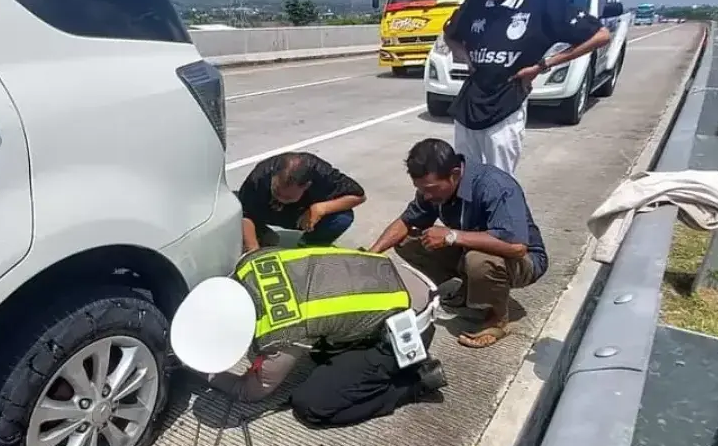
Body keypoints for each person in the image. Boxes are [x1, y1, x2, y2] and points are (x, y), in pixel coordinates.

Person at [169, 246, 446, 428]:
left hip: (406, 324)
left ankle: (414, 384)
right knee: (317, 345)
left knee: (312, 405)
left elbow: (249, 392)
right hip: (388, 272)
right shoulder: (250, 262)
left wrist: (199, 371)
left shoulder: (280, 337)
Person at [443, 0, 611, 173]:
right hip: (469, 106)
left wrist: (544, 65)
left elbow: (600, 35)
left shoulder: (546, 0)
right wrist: (466, 58)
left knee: (499, 183)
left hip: (506, 108)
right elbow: (451, 36)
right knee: (465, 182)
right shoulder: (476, 2)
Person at [368, 138, 547, 349]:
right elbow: (406, 221)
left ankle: (497, 319)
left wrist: (452, 236)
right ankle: (467, 288)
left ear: (454, 174)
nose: (426, 195)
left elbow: (517, 247)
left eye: (431, 189)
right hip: (470, 249)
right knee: (407, 240)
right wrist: (370, 255)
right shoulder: (434, 191)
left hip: (524, 261)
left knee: (478, 260)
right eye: (421, 189)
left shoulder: (495, 186)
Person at [237, 152, 366, 252]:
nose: (280, 198)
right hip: (268, 211)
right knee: (235, 206)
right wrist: (253, 251)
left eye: (287, 197)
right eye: (276, 191)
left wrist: (321, 208)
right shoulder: (260, 176)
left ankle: (311, 243)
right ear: (273, 177)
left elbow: (359, 195)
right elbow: (246, 213)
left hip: (302, 217)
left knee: (343, 217)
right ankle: (262, 233)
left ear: (306, 186)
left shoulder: (322, 172)